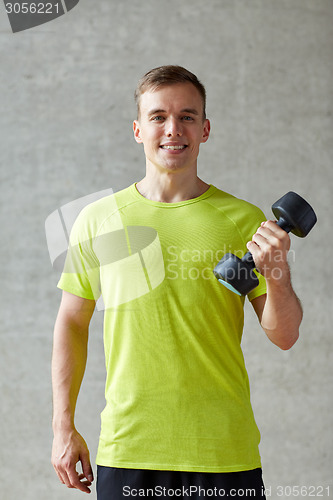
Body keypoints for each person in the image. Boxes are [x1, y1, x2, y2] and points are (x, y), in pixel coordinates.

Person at [51, 65, 303, 499]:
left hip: (223, 452)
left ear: (204, 130)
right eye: (158, 117)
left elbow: (284, 336)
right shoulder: (99, 220)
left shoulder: (243, 220)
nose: (173, 129)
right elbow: (72, 323)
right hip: (129, 450)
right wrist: (62, 427)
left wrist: (277, 273)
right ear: (137, 129)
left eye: (187, 117)